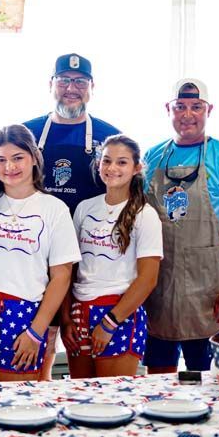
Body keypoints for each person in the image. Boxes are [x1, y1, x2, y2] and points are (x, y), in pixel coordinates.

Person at [0, 124, 81, 383]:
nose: (9, 167)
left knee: (18, 405)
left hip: (24, 315)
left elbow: (62, 276)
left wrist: (36, 332)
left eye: (17, 158)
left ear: (33, 157)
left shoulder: (55, 209)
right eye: (1, 160)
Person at [142, 78, 219, 373]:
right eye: (180, 106)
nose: (187, 114)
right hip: (159, 291)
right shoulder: (152, 157)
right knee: (158, 384)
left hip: (211, 295)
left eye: (196, 107)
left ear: (210, 110)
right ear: (168, 109)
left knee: (214, 386)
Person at [23, 52, 121, 380]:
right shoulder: (27, 132)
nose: (71, 88)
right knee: (43, 338)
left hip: (93, 253)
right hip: (37, 252)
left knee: (82, 339)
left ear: (92, 87)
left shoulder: (110, 136)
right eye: (64, 80)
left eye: (80, 82)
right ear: (50, 84)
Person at [61, 135, 161, 378]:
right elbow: (69, 269)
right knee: (81, 401)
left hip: (119, 315)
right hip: (79, 312)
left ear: (137, 168)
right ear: (98, 164)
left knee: (112, 402)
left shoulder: (144, 215)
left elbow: (148, 279)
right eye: (107, 161)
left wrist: (109, 324)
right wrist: (66, 319)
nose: (112, 168)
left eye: (122, 162)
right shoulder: (85, 208)